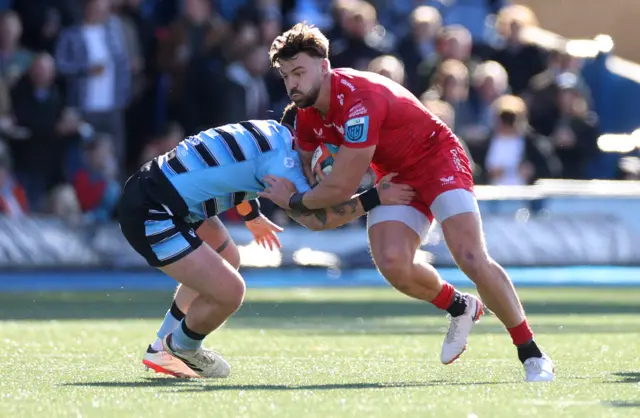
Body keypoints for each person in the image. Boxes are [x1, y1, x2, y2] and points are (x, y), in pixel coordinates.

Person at [260, 23, 554, 382]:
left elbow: (335, 191)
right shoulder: (305, 115)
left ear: (324, 66)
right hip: (393, 175)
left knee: (471, 256)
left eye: (300, 72)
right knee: (392, 263)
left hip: (438, 157)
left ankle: (531, 352)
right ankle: (460, 306)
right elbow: (314, 200)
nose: (292, 83)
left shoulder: (357, 100)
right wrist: (297, 200)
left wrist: (292, 200)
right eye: (286, 74)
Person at [117, 118, 415, 378]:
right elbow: (316, 219)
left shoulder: (274, 134)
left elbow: (232, 168)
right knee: (230, 292)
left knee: (227, 256)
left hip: (157, 193)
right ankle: (180, 347)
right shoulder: (283, 162)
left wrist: (251, 214)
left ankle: (161, 344)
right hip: (154, 210)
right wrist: (375, 198)